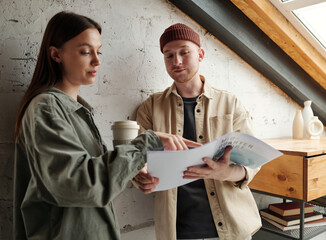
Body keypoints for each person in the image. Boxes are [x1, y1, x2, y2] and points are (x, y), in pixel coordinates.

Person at [13, 12, 200, 240]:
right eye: (85, 51)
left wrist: (132, 168)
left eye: (98, 51)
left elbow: (90, 177)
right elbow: (78, 184)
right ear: (56, 54)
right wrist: (146, 143)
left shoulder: (78, 110)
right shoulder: (47, 107)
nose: (97, 60)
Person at [135, 23, 262, 240]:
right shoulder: (151, 106)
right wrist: (139, 175)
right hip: (178, 231)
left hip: (231, 229)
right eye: (169, 55)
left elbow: (251, 163)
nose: (177, 61)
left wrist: (226, 173)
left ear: (200, 54)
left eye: (184, 52)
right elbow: (134, 156)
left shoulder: (230, 103)